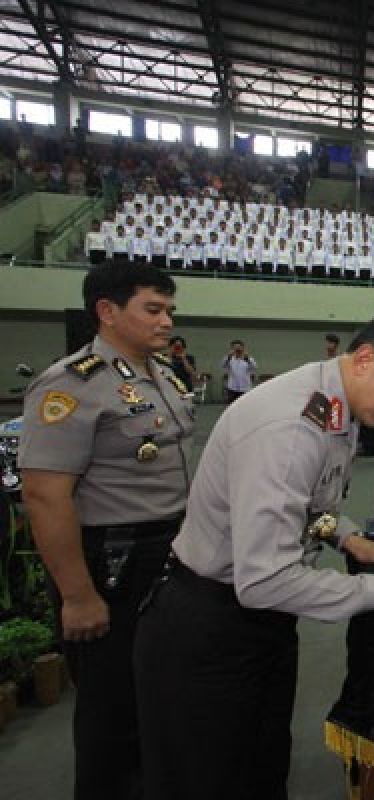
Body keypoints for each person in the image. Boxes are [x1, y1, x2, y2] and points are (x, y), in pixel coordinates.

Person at [133, 307, 374, 800]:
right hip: (210, 628)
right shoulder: (289, 428)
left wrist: (350, 539)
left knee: (261, 768)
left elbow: (311, 505)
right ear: (366, 359)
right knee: (208, 778)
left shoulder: (334, 404)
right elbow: (264, 580)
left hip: (260, 625)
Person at [18, 261, 194, 800]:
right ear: (107, 312)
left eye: (169, 310)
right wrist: (77, 595)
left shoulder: (157, 374)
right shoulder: (72, 383)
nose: (166, 321)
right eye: (153, 309)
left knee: (157, 698)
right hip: (112, 563)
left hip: (165, 552)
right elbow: (45, 496)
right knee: (111, 711)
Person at [221, 339, 257, 403]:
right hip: (232, 388)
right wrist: (228, 356)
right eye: (235, 348)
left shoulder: (248, 358)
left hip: (245, 388)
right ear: (232, 349)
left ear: (243, 348)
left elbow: (254, 368)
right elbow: (223, 365)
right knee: (231, 407)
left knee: (245, 406)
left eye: (239, 348)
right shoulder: (229, 358)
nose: (237, 350)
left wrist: (247, 359)